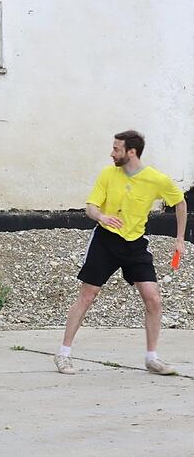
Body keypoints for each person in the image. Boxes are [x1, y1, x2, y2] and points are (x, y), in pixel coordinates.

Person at [54, 130, 187, 375]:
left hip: (135, 243)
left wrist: (180, 239)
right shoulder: (108, 174)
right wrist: (102, 216)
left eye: (117, 149)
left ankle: (152, 358)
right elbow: (91, 207)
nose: (112, 153)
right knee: (87, 295)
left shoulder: (155, 179)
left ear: (131, 152)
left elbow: (179, 201)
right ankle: (63, 354)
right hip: (105, 241)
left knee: (153, 299)